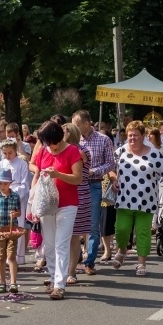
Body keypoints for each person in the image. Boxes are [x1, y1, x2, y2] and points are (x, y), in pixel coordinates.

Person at [111, 121, 163, 276]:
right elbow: (110, 169)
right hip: (124, 199)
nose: (132, 138)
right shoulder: (121, 151)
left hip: (146, 200)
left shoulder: (154, 154)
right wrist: (114, 179)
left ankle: (141, 262)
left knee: (143, 232)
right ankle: (122, 250)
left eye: (136, 135)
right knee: (121, 229)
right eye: (129, 135)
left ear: (143, 136)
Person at [28, 120, 83, 300]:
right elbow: (36, 172)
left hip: (67, 204)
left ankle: (60, 284)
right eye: (45, 142)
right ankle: (52, 277)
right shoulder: (44, 150)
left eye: (50, 142)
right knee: (49, 244)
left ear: (58, 139)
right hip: (47, 203)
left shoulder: (72, 151)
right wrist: (32, 203)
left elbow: (77, 179)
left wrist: (58, 174)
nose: (48, 146)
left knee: (61, 244)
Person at [72, 109, 115, 274]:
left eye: (76, 125)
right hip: (75, 185)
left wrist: (92, 171)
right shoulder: (74, 142)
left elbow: (110, 164)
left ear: (86, 123)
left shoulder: (103, 140)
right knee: (74, 224)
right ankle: (74, 260)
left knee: (92, 225)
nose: (74, 129)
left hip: (94, 185)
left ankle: (89, 262)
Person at [63, 123, 91, 284]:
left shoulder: (80, 151)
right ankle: (63, 269)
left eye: (63, 132)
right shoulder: (62, 151)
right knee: (63, 237)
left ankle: (71, 271)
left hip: (79, 194)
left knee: (74, 236)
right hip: (65, 195)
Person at [0, 167, 21, 294]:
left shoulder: (15, 196)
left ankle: (13, 282)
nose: (2, 186)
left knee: (11, 256)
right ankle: (2, 282)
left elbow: (19, 212)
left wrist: (15, 214)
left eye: (5, 183)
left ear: (10, 183)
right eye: (0, 183)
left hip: (12, 230)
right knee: (1, 257)